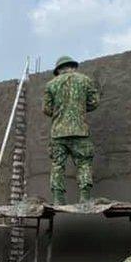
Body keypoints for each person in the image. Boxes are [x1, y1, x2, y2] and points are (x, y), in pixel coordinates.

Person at [42, 55, 99, 205]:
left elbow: (46, 109)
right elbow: (94, 103)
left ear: (58, 69)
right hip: (80, 131)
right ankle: (85, 197)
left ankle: (58, 199)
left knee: (57, 165)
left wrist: (60, 111)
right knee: (84, 163)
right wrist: (79, 108)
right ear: (73, 66)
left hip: (58, 133)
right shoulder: (85, 80)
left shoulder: (50, 85)